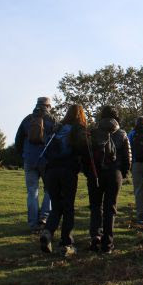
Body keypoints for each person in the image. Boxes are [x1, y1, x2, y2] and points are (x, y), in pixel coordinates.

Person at [39, 104, 87, 256]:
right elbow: (82, 149)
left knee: (57, 205)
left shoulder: (57, 129)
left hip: (51, 171)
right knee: (68, 207)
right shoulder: (78, 129)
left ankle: (47, 233)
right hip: (67, 171)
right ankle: (67, 243)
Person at [84, 105, 131, 253]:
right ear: (116, 118)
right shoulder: (122, 134)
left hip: (96, 174)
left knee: (95, 206)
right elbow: (128, 157)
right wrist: (123, 173)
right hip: (114, 173)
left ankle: (95, 237)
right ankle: (108, 244)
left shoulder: (93, 133)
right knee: (110, 208)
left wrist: (88, 173)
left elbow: (86, 156)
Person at [15, 97, 55, 232]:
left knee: (32, 192)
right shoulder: (52, 120)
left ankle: (33, 224)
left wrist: (24, 155)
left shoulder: (27, 119)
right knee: (49, 190)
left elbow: (18, 140)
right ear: (48, 106)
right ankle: (44, 218)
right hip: (46, 160)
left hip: (29, 160)